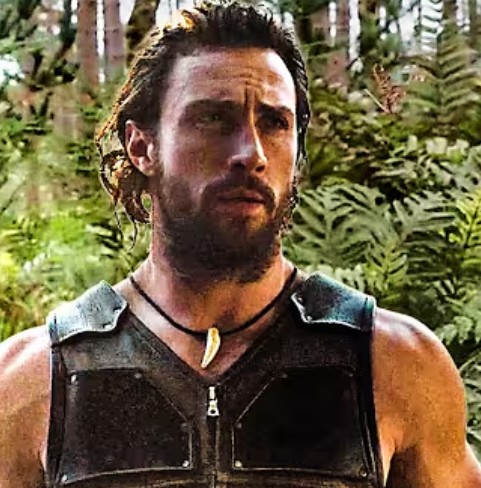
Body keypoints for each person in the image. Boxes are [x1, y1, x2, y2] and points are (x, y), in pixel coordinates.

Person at [1, 1, 480, 487]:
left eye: (274, 123)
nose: (251, 154)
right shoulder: (33, 381)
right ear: (142, 147)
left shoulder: (395, 366)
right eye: (213, 118)